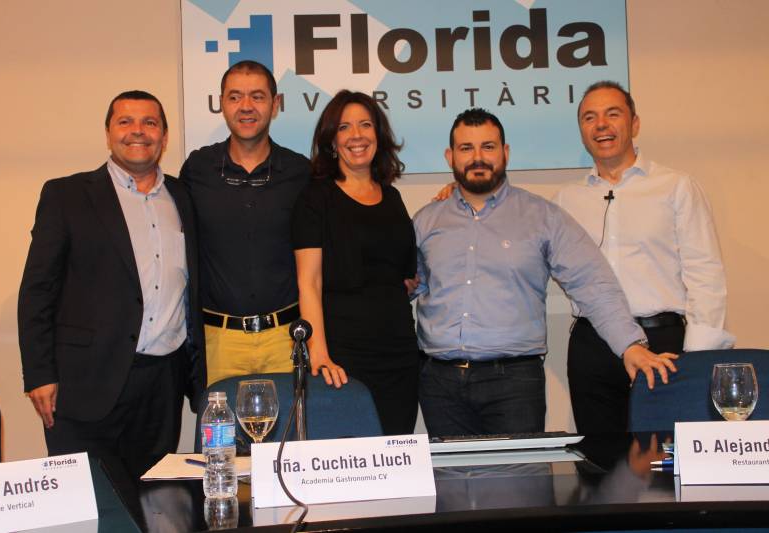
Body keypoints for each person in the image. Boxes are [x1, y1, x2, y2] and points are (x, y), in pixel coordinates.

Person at [412, 108, 678, 438]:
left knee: (520, 487)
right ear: (450, 156)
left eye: (488, 147)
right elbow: (404, 283)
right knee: (451, 487)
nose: (478, 157)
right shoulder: (426, 220)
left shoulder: (543, 217)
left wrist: (630, 345)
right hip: (440, 385)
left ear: (506, 153)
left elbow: (592, 282)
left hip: (513, 385)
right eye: (466, 148)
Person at [18, 90, 204, 523]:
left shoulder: (183, 197)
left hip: (162, 382)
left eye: (150, 122)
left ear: (164, 135)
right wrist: (40, 373)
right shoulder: (66, 195)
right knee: (85, 508)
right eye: (125, 121)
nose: (138, 131)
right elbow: (38, 290)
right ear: (108, 133)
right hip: (84, 382)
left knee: (153, 506)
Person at [552, 81, 732, 434]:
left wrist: (693, 360)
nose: (601, 124)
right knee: (601, 465)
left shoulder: (676, 186)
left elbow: (705, 275)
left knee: (665, 467)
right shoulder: (564, 200)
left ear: (634, 124)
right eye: (590, 117)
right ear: (582, 132)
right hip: (593, 345)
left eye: (612, 114)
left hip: (664, 344)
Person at [292, 90, 419, 435]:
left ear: (379, 135)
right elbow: (309, 282)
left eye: (365, 125)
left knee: (394, 461)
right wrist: (318, 353)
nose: (357, 135)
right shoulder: (315, 197)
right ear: (332, 140)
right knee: (347, 468)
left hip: (400, 356)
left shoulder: (392, 197)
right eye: (345, 127)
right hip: (343, 358)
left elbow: (405, 276)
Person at [179, 61, 310, 386]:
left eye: (257, 96)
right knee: (223, 438)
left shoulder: (300, 172)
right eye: (235, 97)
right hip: (218, 343)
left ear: (275, 104)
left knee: (288, 437)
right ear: (221, 102)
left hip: (286, 339)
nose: (246, 107)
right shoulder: (197, 169)